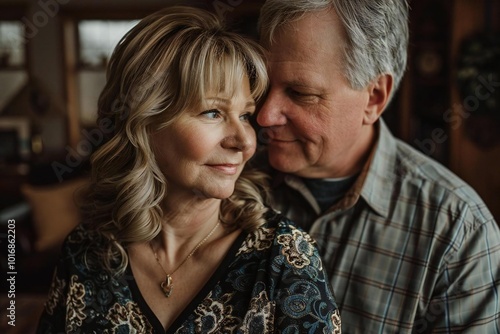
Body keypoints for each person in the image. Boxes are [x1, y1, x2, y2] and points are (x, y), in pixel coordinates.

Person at [36, 6, 341, 334]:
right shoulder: (86, 251)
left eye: (245, 115)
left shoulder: (284, 258)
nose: (244, 141)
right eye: (213, 112)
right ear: (146, 123)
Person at [255, 0, 500, 333]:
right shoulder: (229, 176)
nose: (264, 116)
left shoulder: (457, 232)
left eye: (300, 92)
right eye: (263, 84)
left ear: (374, 97)